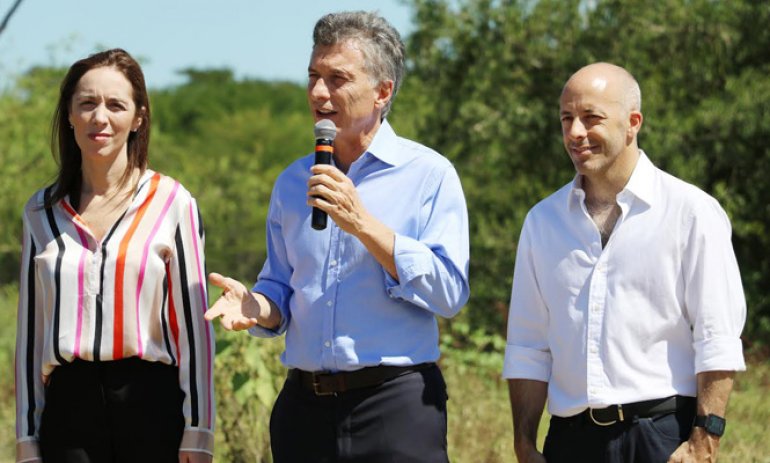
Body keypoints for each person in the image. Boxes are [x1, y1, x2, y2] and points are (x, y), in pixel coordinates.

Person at [204, 11, 469, 463]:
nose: (318, 94)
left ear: (382, 91)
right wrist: (257, 307)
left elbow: (449, 293)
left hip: (395, 408)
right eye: (313, 77)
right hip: (304, 412)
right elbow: (281, 290)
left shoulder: (429, 175)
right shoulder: (292, 182)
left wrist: (362, 224)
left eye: (337, 79)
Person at [502, 62, 746, 463]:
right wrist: (525, 444)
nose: (575, 132)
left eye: (591, 118)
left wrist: (706, 441)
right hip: (568, 441)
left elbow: (717, 336)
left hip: (661, 436)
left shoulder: (691, 212)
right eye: (567, 119)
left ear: (633, 123)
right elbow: (529, 344)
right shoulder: (542, 221)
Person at [14, 49, 215, 463]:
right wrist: (26, 438)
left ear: (139, 117)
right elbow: (30, 336)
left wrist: (199, 429)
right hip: (67, 411)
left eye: (115, 105)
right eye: (86, 103)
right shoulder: (40, 213)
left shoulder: (172, 203)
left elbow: (193, 330)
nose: (99, 117)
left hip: (151, 405)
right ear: (69, 114)